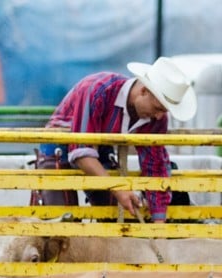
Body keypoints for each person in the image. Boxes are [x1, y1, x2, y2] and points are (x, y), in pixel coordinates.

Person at [33, 57, 197, 223]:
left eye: (164, 111)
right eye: (158, 108)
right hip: (57, 148)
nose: (159, 116)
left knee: (120, 216)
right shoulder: (98, 89)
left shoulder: (156, 118)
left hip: (98, 149)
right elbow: (81, 154)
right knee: (60, 223)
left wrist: (159, 223)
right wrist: (117, 187)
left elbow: (155, 166)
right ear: (144, 91)